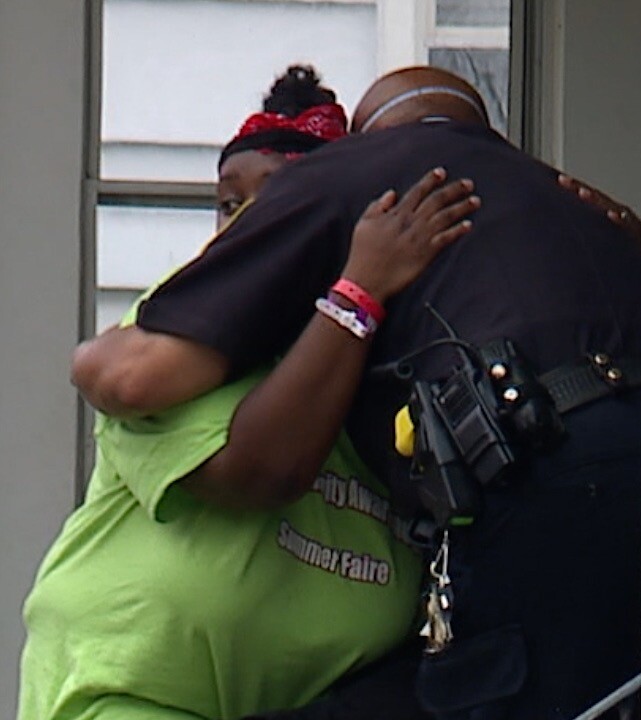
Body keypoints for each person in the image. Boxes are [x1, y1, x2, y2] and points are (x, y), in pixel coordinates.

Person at [74, 65, 641, 719]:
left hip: (567, 488)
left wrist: (84, 357)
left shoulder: (361, 182)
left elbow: (134, 377)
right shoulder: (568, 202)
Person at [19, 66, 478, 720]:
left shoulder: (409, 359)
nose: (245, 227)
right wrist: (357, 296)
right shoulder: (179, 333)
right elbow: (259, 470)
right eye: (229, 204)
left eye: (280, 203)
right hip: (128, 693)